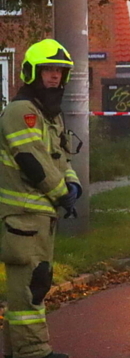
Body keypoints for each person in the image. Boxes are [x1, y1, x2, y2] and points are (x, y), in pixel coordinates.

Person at [0, 39, 81, 358]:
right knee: (31, 286)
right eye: (48, 70)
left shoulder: (49, 115)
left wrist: (73, 184)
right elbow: (32, 160)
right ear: (32, 72)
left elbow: (60, 158)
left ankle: (17, 351)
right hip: (21, 217)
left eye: (60, 71)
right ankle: (33, 352)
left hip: (38, 216)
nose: (55, 76)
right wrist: (62, 194)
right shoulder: (21, 111)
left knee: (31, 286)